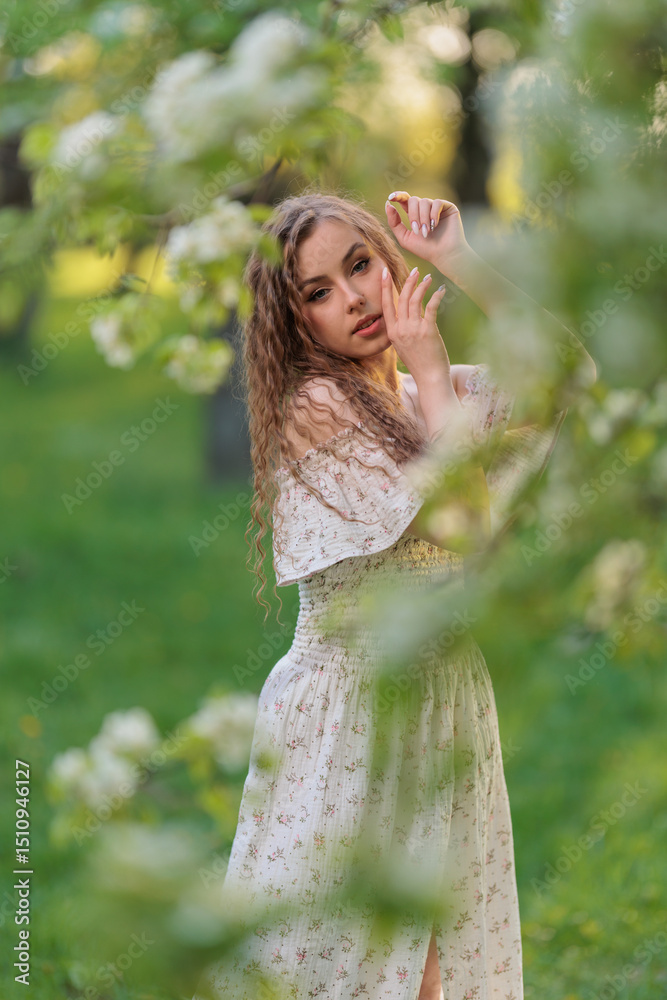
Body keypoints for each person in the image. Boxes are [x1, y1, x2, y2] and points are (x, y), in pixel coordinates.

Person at [191, 189, 596, 1000]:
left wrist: (458, 258)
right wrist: (435, 370)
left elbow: (569, 373)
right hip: (352, 709)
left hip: (443, 692)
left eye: (359, 265)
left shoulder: (417, 396)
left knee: (430, 962)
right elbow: (462, 520)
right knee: (341, 960)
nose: (352, 298)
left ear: (389, 260)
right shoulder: (317, 407)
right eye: (318, 291)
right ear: (295, 322)